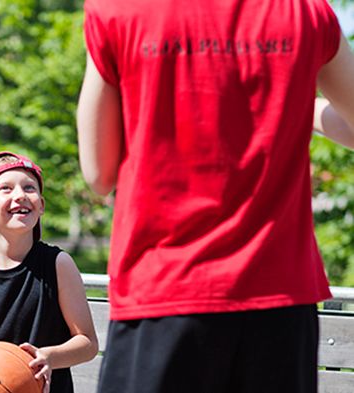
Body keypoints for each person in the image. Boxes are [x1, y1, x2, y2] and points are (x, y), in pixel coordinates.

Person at [76, 0, 354, 392]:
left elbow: (98, 172)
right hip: (279, 300)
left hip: (165, 290)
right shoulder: (305, 11)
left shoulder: (119, 9)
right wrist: (288, 99)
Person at [0, 151, 99, 393]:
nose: (20, 195)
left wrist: (48, 357)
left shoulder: (58, 264)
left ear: (41, 205)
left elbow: (87, 342)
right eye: (6, 188)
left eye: (29, 188)